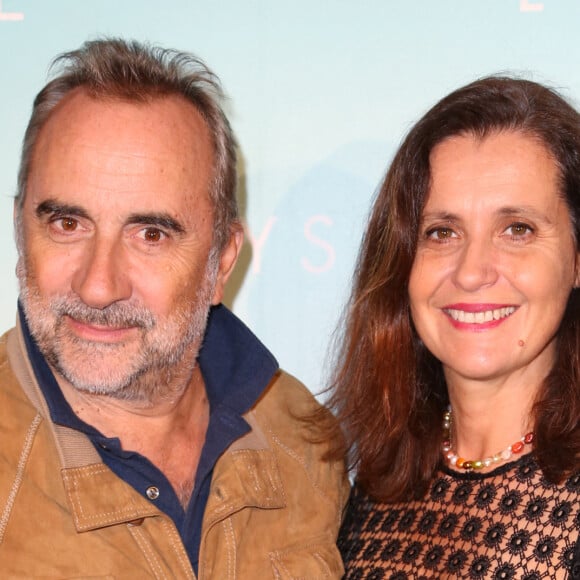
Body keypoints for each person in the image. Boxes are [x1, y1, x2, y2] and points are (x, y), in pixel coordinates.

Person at [0, 38, 348, 578]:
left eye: (150, 234)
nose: (98, 286)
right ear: (21, 231)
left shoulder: (306, 441)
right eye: (67, 224)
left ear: (221, 261)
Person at [329, 76, 580, 578]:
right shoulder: (373, 491)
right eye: (442, 233)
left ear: (576, 260)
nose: (471, 271)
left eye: (517, 230)